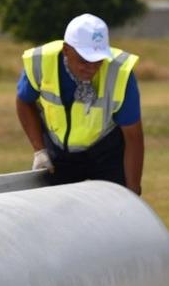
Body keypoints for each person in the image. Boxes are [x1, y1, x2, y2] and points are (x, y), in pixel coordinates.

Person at [16, 13, 144, 195]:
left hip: (106, 151)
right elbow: (23, 101)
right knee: (56, 212)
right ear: (67, 50)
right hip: (60, 153)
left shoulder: (120, 73)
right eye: (84, 60)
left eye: (98, 60)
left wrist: (133, 190)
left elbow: (133, 136)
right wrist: (40, 151)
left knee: (115, 212)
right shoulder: (41, 62)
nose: (91, 68)